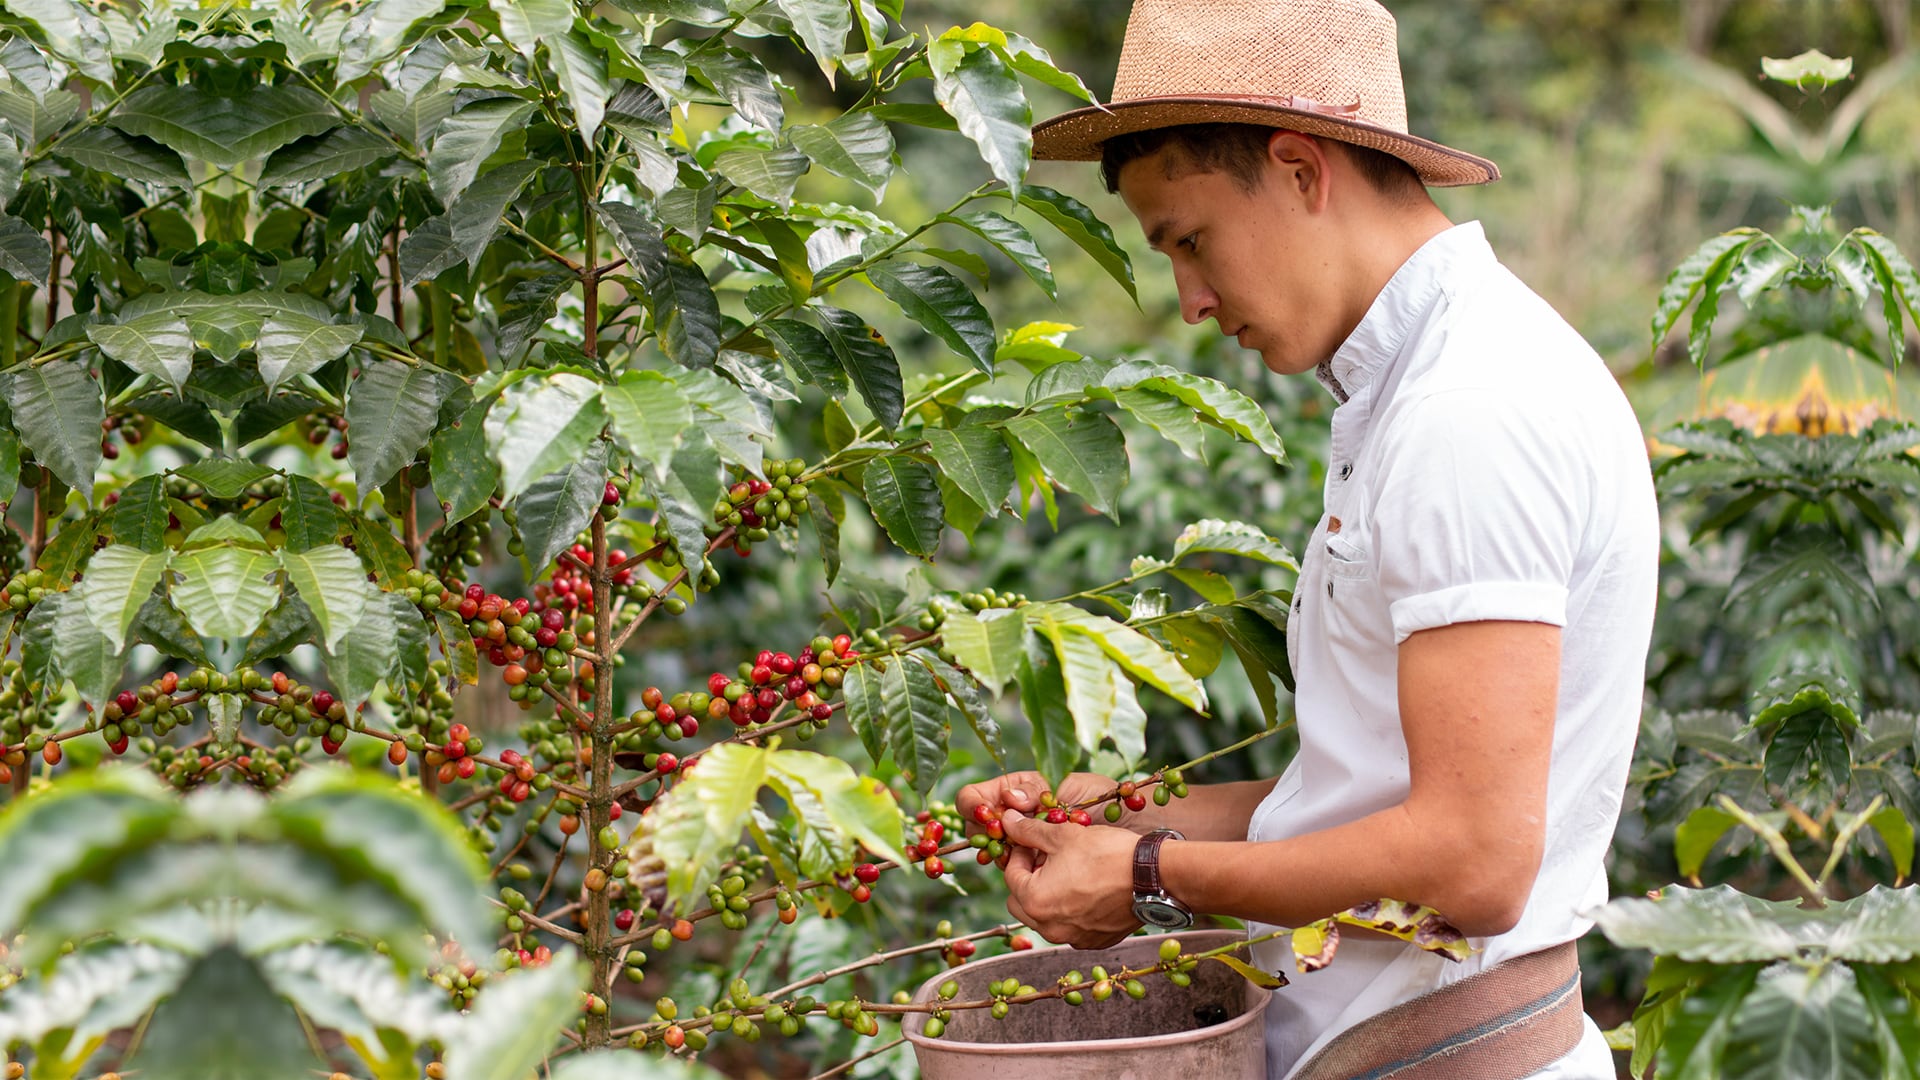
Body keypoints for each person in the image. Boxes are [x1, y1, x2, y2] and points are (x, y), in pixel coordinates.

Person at [954, 1, 1660, 1077]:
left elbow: (1471, 863)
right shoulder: (1420, 384)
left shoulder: (1470, 408)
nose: (1189, 298)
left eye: (1190, 240)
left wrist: (1147, 872)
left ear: (1298, 168)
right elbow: (1367, 799)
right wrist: (1120, 817)